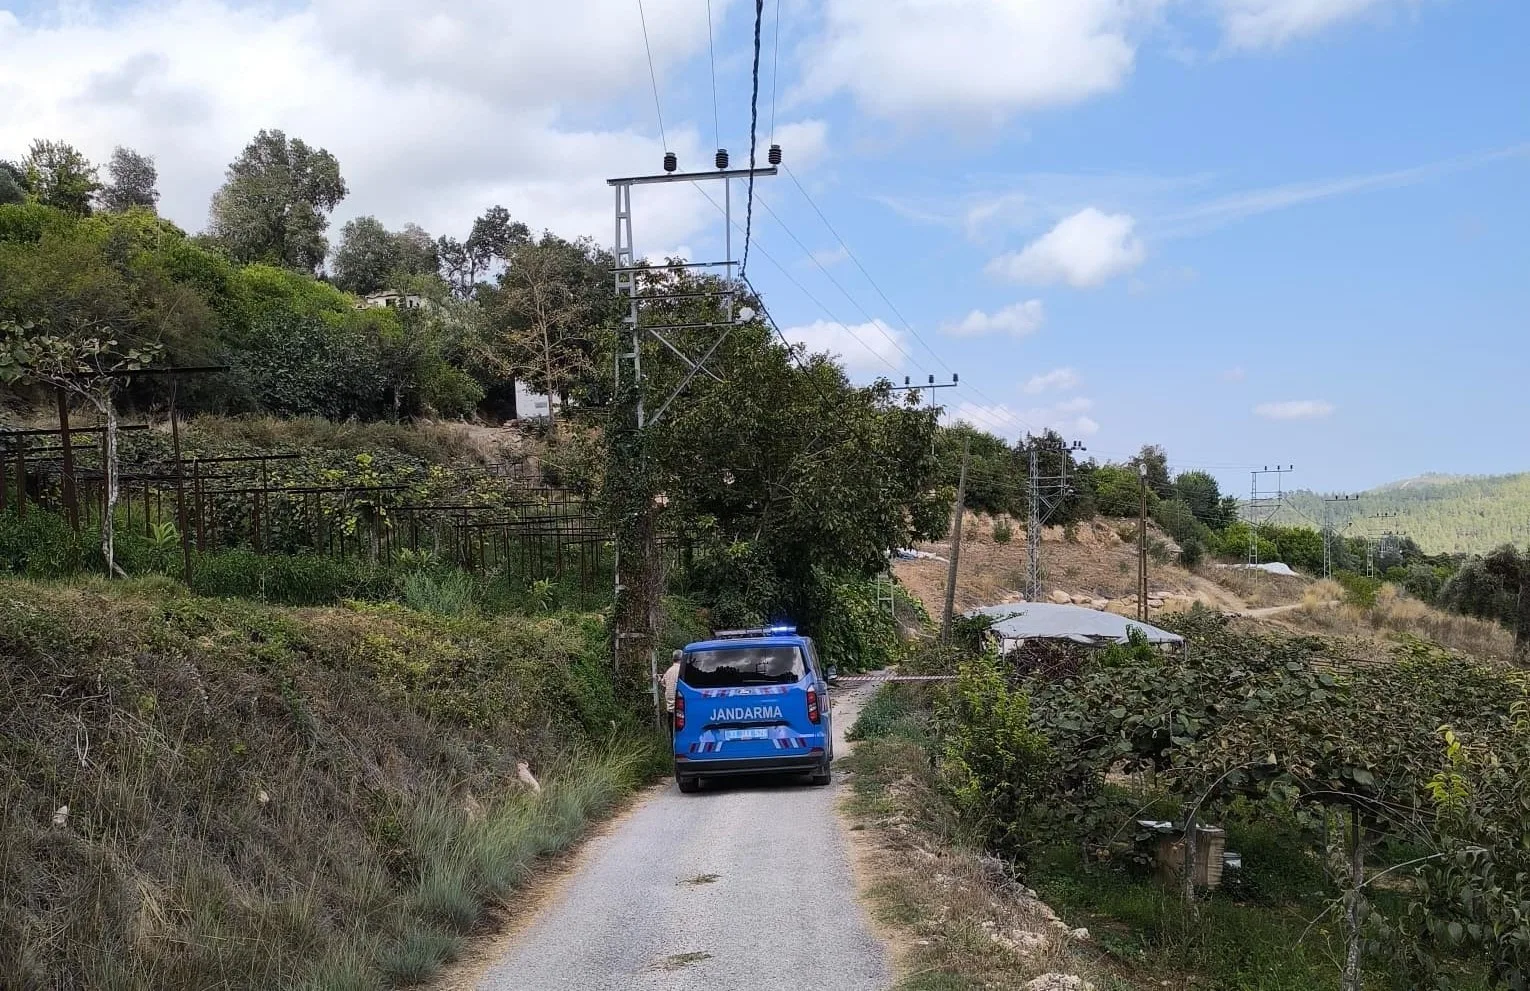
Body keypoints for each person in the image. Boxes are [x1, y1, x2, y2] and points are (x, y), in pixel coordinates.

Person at [662, 650, 682, 737]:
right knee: (681, 733)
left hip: (670, 708)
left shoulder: (669, 671)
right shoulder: (681, 670)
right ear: (681, 659)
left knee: (672, 733)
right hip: (681, 709)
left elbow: (663, 682)